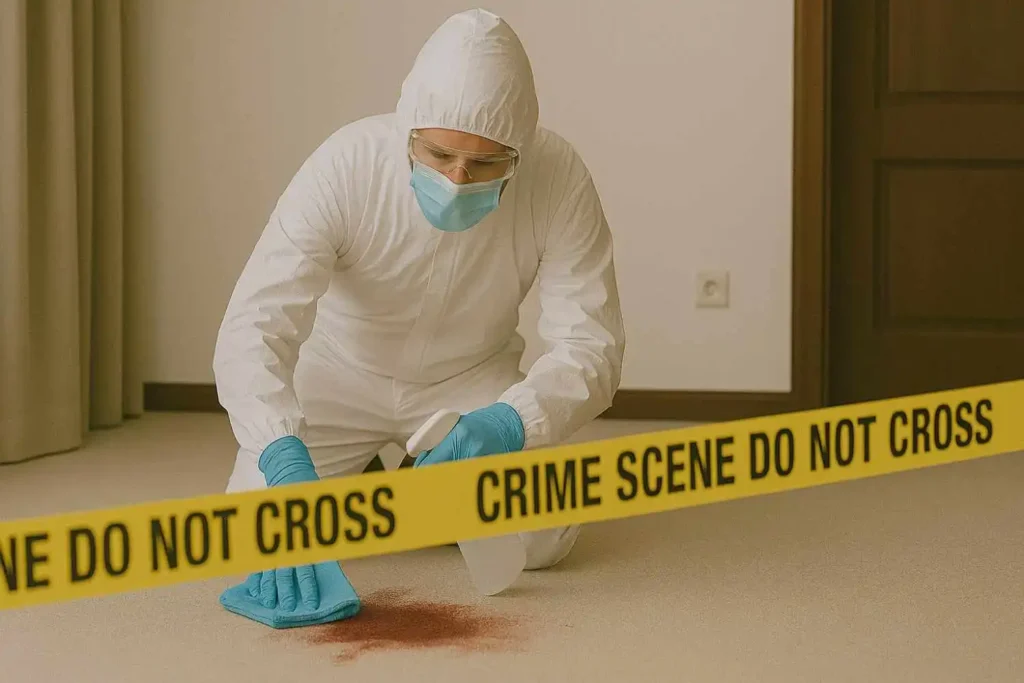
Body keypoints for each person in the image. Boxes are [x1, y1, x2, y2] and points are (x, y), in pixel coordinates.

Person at [212, 8, 626, 617]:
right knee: (248, 535)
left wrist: (509, 423)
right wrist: (279, 451)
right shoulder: (346, 164)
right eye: (437, 155)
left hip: (468, 384)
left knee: (544, 538)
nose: (458, 181)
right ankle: (404, 484)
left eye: (485, 165)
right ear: (409, 130)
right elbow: (255, 323)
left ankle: (409, 477)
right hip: (340, 373)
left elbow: (592, 345)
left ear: (520, 149)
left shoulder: (558, 176)